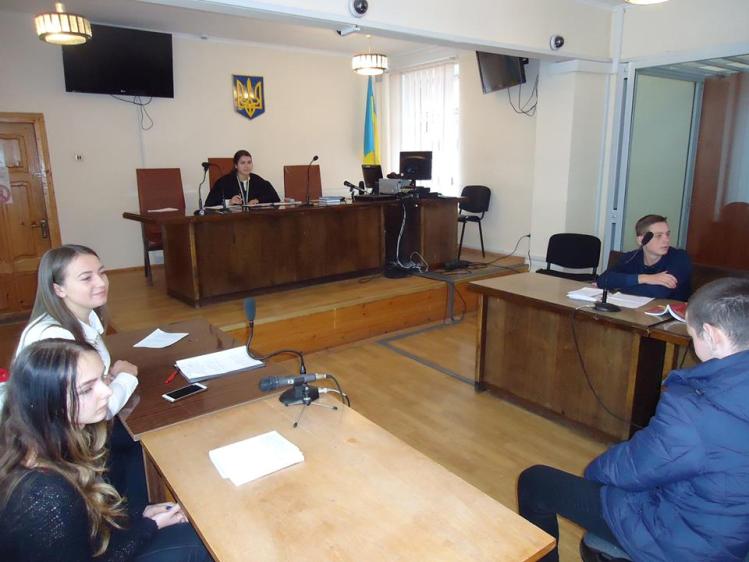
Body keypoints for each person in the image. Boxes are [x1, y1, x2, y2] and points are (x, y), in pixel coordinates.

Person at [517, 277, 749, 562]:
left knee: (536, 482)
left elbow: (630, 469)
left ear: (713, 336)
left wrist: (594, 475)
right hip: (734, 532)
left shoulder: (696, 411)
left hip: (687, 544)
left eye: (692, 336)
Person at [0, 339, 211, 561]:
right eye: (86, 389)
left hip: (93, 543)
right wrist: (148, 526)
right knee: (197, 542)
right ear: (50, 402)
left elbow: (87, 530)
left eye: (102, 378)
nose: (107, 391)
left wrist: (139, 516)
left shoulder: (50, 440)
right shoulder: (46, 495)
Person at [13, 244, 146, 517]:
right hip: (63, 445)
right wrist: (125, 378)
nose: (101, 282)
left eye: (102, 273)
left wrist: (107, 378)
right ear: (58, 288)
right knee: (143, 441)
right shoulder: (54, 337)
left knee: (140, 437)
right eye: (86, 278)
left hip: (77, 432)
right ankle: (132, 514)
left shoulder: (84, 317)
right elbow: (99, 409)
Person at [596, 214, 692, 301]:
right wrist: (644, 278)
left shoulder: (679, 258)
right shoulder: (632, 257)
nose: (666, 240)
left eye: (667, 234)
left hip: (670, 313)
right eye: (658, 236)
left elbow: (658, 292)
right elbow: (603, 280)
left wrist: (617, 287)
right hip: (635, 311)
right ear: (642, 240)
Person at [204, 149, 280, 206]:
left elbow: (275, 198)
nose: (246, 166)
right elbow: (209, 204)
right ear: (236, 165)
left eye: (249, 162)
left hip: (254, 219)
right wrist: (229, 202)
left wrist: (258, 200)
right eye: (242, 163)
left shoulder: (257, 180)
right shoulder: (224, 182)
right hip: (232, 220)